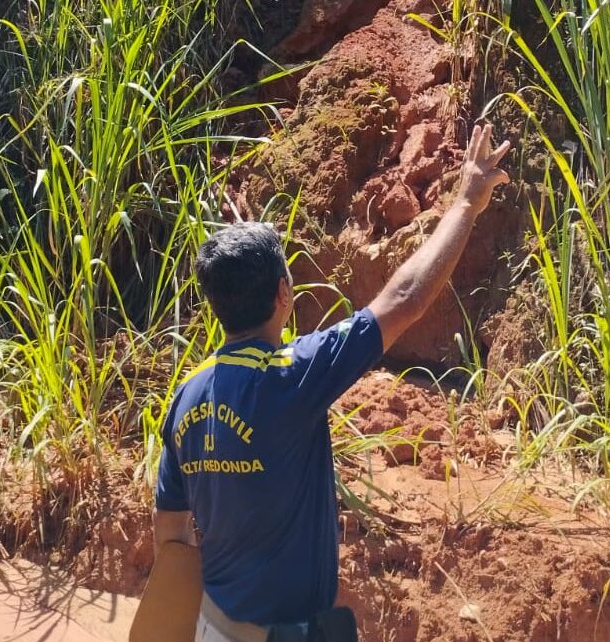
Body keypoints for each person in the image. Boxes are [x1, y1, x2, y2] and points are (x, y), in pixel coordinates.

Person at [152, 124, 510, 642]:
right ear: (283, 293)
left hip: (213, 626)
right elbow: (404, 299)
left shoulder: (188, 395)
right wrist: (466, 203)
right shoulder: (293, 376)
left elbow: (171, 535)